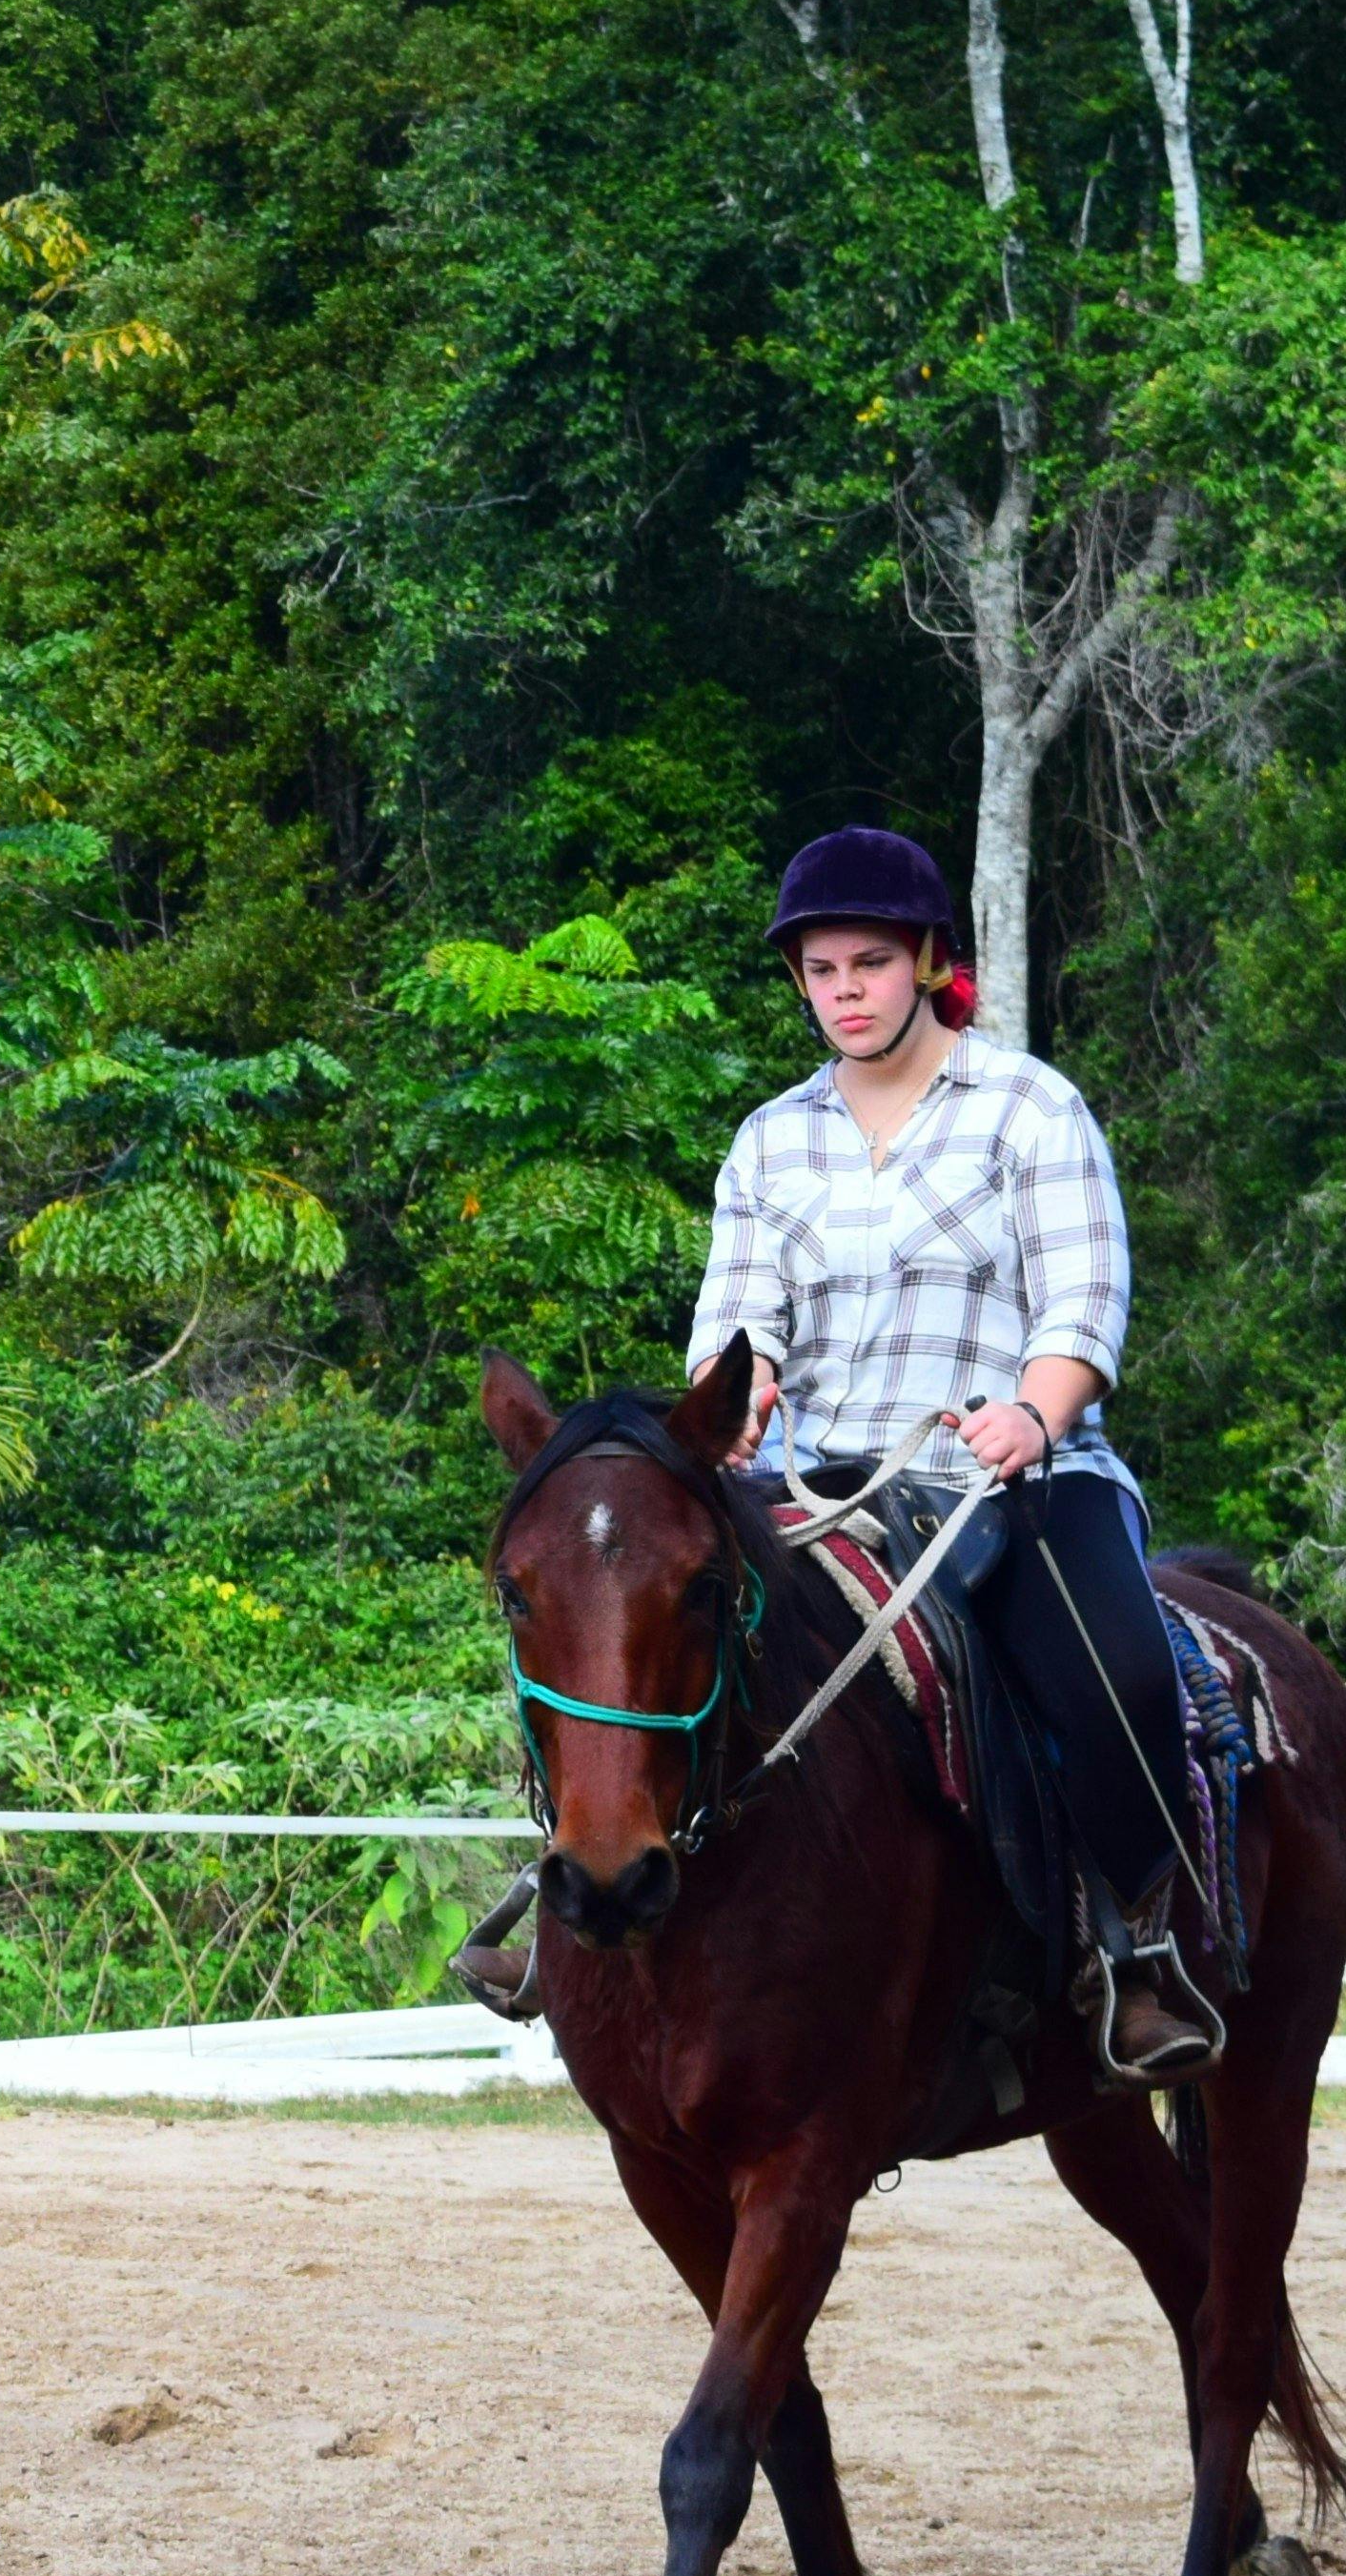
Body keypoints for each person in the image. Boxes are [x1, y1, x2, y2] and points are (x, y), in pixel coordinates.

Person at [461, 828, 1222, 2079]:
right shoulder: (772, 1142)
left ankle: (1135, 1950)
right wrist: (740, 1404)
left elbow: (1085, 1305)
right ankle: (572, 1910)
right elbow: (739, 1330)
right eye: (822, 970)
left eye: (872, 961)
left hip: (1011, 1477)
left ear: (929, 961)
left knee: (1116, 1670)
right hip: (818, 1488)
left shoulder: (1031, 1109)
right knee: (634, 1629)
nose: (847, 991)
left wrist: (1035, 1412)